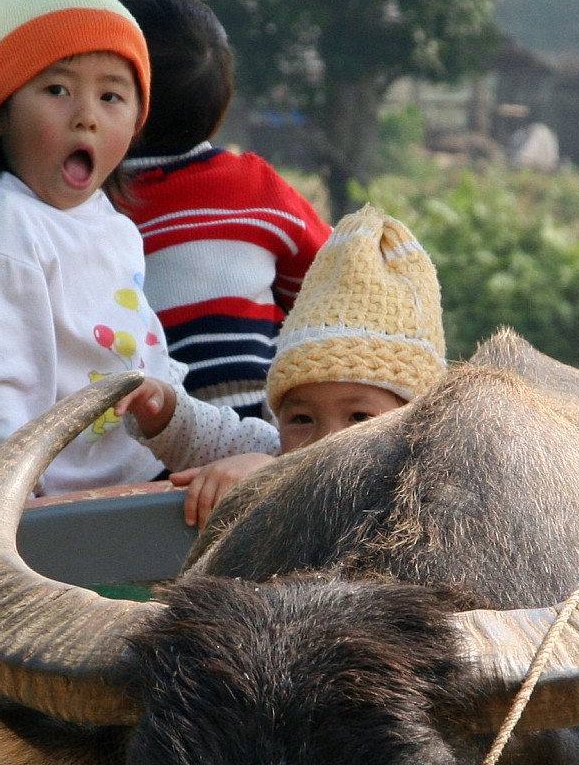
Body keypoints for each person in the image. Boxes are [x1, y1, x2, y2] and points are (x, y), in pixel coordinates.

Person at [0, 0, 274, 494]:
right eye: (56, 90)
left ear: (136, 124)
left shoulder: (116, 226)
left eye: (111, 97)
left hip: (142, 474)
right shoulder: (8, 220)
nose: (86, 117)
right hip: (62, 497)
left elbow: (147, 362)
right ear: (1, 113)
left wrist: (165, 404)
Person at [121, 206, 447, 526]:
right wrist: (162, 409)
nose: (325, 442)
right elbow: (207, 436)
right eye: (301, 419)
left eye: (359, 417)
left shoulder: (436, 496)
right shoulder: (279, 456)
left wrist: (268, 479)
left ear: (417, 427)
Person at [113, 0, 333, 419]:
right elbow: (330, 284)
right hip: (272, 428)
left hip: (152, 436)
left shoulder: (98, 204)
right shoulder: (253, 187)